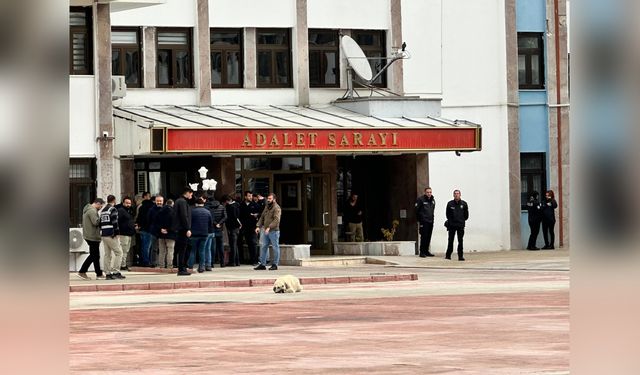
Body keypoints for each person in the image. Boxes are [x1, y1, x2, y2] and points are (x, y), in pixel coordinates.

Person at [78, 198, 105, 280]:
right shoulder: (92, 211)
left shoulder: (88, 209)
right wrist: (103, 218)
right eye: (101, 206)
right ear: (97, 203)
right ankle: (82, 271)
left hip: (90, 235)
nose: (100, 208)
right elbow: (96, 222)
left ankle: (99, 273)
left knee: (96, 256)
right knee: (94, 255)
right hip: (92, 236)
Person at [99, 195, 125, 279]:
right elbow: (114, 222)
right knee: (119, 252)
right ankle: (116, 271)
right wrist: (117, 233)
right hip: (111, 234)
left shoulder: (103, 210)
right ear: (114, 200)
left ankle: (107, 273)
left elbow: (100, 223)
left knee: (107, 254)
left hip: (104, 234)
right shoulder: (112, 209)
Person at [254, 193, 282, 271]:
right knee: (263, 247)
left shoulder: (277, 208)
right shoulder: (267, 207)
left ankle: (275, 264)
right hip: (265, 230)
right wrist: (258, 226)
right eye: (268, 198)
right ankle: (262, 264)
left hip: (274, 231)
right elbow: (262, 217)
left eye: (270, 199)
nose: (268, 200)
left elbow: (276, 220)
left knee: (275, 247)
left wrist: (269, 227)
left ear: (274, 199)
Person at [190, 196, 213, 273]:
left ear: (196, 204)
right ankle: (201, 267)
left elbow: (189, 222)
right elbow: (210, 224)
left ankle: (190, 266)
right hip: (204, 234)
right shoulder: (207, 212)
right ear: (203, 204)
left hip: (194, 234)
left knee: (193, 250)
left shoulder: (192, 211)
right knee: (202, 251)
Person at [445, 189, 469, 261]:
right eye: (455, 193)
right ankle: (448, 255)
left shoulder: (464, 204)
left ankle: (460, 256)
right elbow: (447, 215)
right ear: (453, 195)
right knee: (450, 240)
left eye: (458, 193)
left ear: (460, 195)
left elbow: (466, 215)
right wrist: (451, 221)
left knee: (460, 241)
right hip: (452, 225)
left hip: (460, 225)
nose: (456, 195)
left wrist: (461, 220)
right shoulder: (450, 204)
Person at [174, 187, 194, 276]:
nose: (191, 196)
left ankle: (182, 267)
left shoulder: (180, 201)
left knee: (186, 247)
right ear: (187, 193)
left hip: (181, 229)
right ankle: (181, 269)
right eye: (191, 193)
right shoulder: (182, 201)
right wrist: (187, 229)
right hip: (182, 229)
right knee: (183, 249)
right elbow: (184, 216)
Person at [238, 191, 261, 266]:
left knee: (253, 244)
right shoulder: (241, 205)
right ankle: (241, 260)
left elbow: (261, 215)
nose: (250, 197)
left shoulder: (256, 205)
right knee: (240, 243)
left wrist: (256, 215)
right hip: (242, 227)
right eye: (249, 196)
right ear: (245, 197)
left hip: (252, 227)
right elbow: (238, 215)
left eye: (251, 196)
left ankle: (254, 260)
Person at [205, 195, 227, 269]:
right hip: (220, 229)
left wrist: (215, 223)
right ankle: (222, 263)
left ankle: (211, 263)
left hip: (212, 229)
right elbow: (225, 217)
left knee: (212, 247)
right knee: (220, 246)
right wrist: (220, 223)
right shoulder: (221, 206)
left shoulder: (209, 207)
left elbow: (210, 218)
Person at [155, 199, 177, 269]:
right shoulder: (173, 212)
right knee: (170, 251)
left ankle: (161, 266)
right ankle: (169, 266)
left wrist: (161, 229)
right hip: (170, 234)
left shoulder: (159, 211)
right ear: (172, 204)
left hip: (161, 234)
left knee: (162, 251)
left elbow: (156, 222)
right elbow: (174, 224)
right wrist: (168, 230)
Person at [116, 196, 136, 271]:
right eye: (127, 203)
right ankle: (122, 265)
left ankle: (123, 264)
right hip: (123, 234)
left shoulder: (129, 211)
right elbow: (118, 222)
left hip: (129, 234)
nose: (128, 204)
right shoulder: (121, 211)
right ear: (123, 203)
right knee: (123, 250)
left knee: (126, 250)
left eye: (129, 203)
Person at [415, 187, 436, 257]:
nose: (429, 193)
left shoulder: (433, 200)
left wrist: (432, 219)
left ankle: (426, 251)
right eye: (427, 192)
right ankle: (422, 252)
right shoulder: (420, 200)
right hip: (424, 222)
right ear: (425, 192)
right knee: (423, 237)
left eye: (430, 192)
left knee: (428, 237)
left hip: (430, 221)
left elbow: (432, 211)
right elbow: (416, 211)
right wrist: (420, 220)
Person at [135, 191, 154, 266]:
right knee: (147, 246)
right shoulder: (152, 206)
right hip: (149, 229)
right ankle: (146, 262)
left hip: (142, 228)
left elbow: (139, 217)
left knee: (143, 246)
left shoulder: (141, 206)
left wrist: (138, 225)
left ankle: (142, 261)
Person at [224, 194, 242, 267]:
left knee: (233, 245)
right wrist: (239, 224)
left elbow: (233, 217)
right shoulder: (237, 205)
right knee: (235, 245)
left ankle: (233, 262)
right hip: (236, 227)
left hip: (232, 227)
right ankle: (237, 261)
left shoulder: (230, 207)